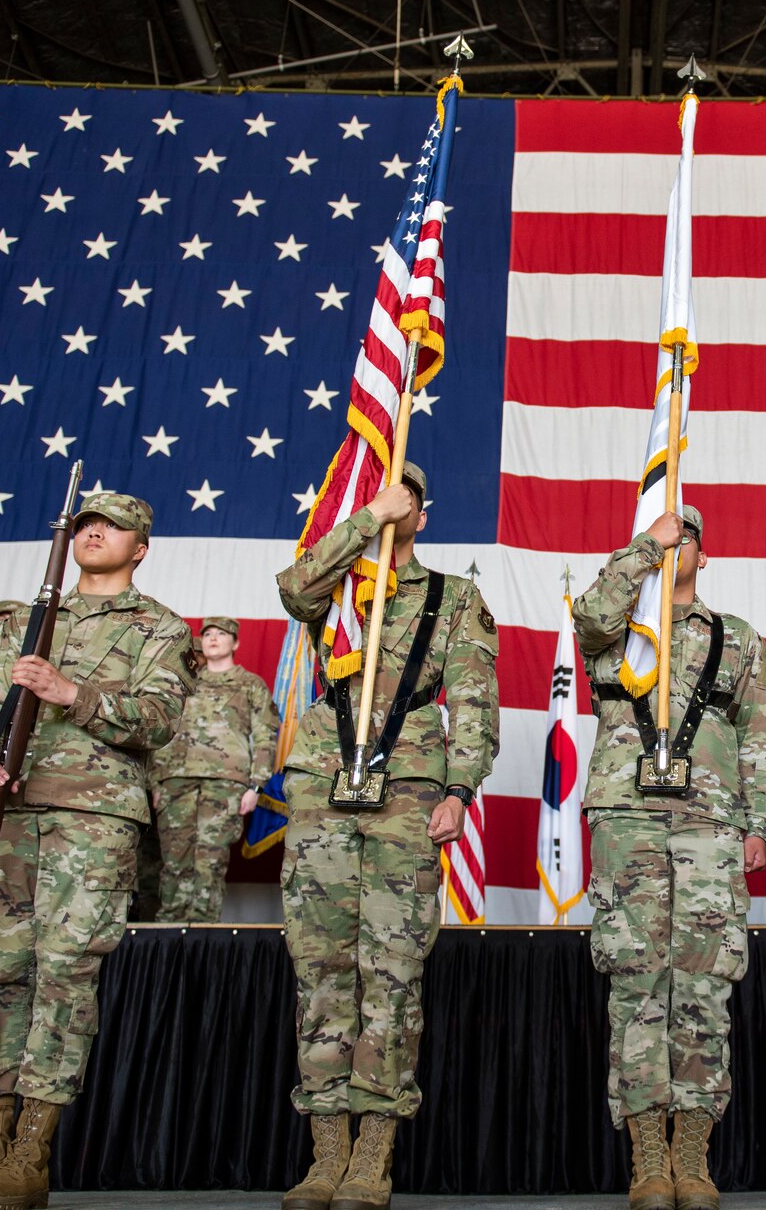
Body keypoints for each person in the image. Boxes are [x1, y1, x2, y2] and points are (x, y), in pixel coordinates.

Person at [0, 493, 195, 1210]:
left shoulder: (157, 626)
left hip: (92, 818)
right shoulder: (24, 620)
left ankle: (29, 1156)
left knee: (65, 975)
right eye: (83, 522)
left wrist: (71, 692)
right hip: (12, 814)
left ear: (141, 546)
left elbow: (160, 721)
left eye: (112, 524)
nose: (92, 530)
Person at [273, 462, 498, 1210]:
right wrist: (367, 517)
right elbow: (293, 586)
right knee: (322, 969)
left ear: (425, 516)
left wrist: (461, 790)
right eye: (386, 490)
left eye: (408, 498)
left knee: (392, 972)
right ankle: (326, 1151)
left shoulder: (454, 597)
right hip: (321, 787)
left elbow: (472, 699)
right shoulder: (339, 589)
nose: (399, 503)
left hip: (407, 792)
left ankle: (375, 1151)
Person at [574, 504, 766, 1210]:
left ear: (706, 553)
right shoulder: (618, 633)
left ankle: (691, 1155)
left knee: (702, 984)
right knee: (636, 984)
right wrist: (642, 547)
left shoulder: (738, 637)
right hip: (628, 819)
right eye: (670, 531)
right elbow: (589, 617)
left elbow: (759, 731)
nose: (678, 541)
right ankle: (647, 1161)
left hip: (710, 824)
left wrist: (759, 821)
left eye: (688, 534)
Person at [148, 616, 280, 923]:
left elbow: (264, 735)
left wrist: (256, 786)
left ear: (235, 643)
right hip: (175, 782)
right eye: (207, 634)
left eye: (222, 634)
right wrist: (156, 782)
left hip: (226, 783)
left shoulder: (250, 685)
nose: (213, 639)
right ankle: (170, 932)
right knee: (174, 862)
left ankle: (203, 934)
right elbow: (162, 730)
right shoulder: (185, 683)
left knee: (210, 861)